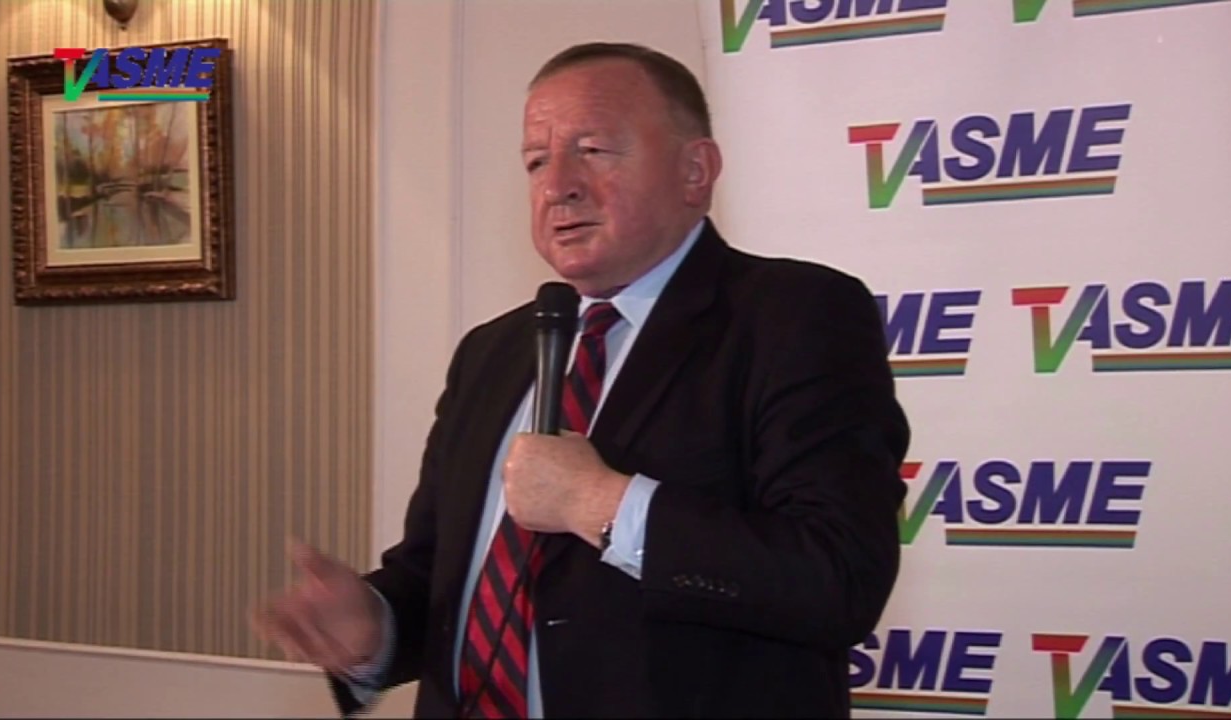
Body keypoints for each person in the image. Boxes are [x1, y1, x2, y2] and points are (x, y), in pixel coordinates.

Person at [252, 42, 909, 719]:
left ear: (695, 171)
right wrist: (373, 628)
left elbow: (837, 577)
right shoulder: (492, 352)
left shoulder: (794, 316)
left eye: (593, 150)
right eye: (536, 161)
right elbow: (440, 576)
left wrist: (601, 503)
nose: (556, 185)